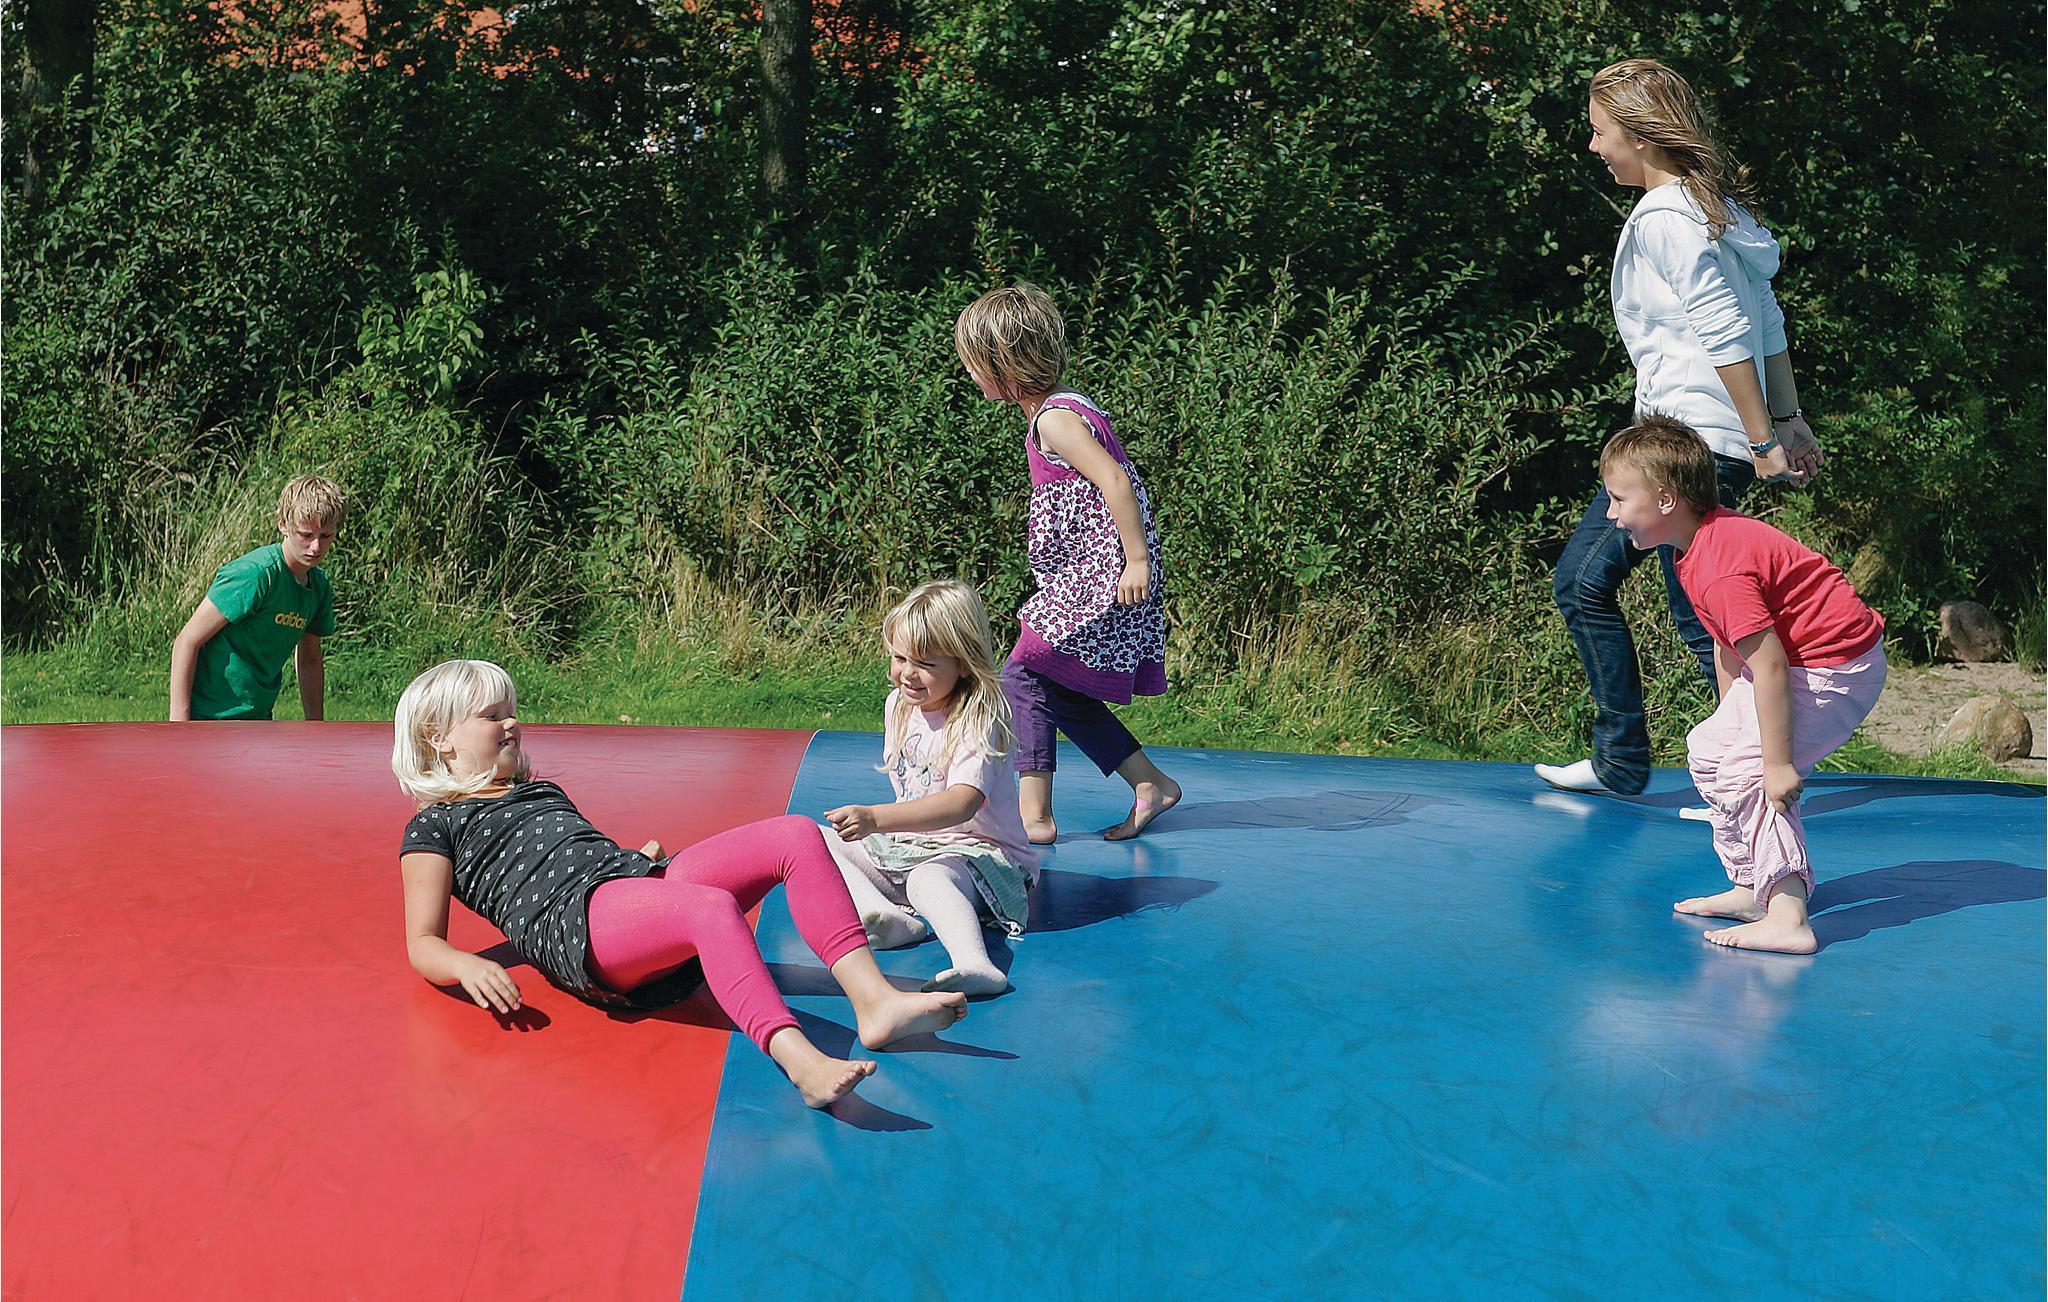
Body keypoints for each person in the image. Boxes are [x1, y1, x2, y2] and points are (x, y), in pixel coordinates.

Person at [392, 659, 969, 1109]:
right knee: (707, 906)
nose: (511, 723)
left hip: (622, 888)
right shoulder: (436, 825)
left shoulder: (540, 789)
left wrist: (636, 865)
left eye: (511, 711)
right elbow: (423, 942)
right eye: (492, 715)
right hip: (578, 929)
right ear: (440, 738)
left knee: (793, 834)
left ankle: (875, 1001)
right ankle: (803, 1063)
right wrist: (465, 965)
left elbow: (573, 855)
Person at [1537, 58, 1825, 796]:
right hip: (1702, 438)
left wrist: (1766, 439)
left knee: (1651, 600)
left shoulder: (1667, 216)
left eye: (1600, 132)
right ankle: (1645, 762)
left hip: (1689, 439)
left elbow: (1728, 327)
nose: (1594, 147)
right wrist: (1786, 418)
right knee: (1666, 602)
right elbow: (1767, 321)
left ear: (1640, 135)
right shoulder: (1716, 208)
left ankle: (1738, 773)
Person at [1600, 416, 1885, 953]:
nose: (1611, 514)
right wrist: (1731, 717)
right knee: (1710, 751)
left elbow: (1770, 665)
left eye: (1618, 499)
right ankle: (1753, 886)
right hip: (1801, 661)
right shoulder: (1695, 547)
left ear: (1666, 500)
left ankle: (1788, 914)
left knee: (1750, 774)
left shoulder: (1720, 566)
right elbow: (1727, 643)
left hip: (1835, 667)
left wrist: (1776, 764)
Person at [955, 283, 1180, 842]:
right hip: (1092, 571)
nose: (970, 375)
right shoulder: (1069, 404)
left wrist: (1136, 561)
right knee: (1060, 687)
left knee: (1023, 670)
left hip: (1103, 573)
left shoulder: (1054, 421)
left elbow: (1115, 480)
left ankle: (1034, 816)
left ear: (1004, 363)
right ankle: (1149, 783)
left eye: (975, 364)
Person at [822, 580, 1039, 995]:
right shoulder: (899, 705)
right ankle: (885, 916)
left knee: (929, 880)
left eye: (924, 663)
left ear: (964, 663)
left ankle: (977, 964)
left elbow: (962, 803)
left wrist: (875, 819)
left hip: (983, 855)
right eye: (899, 657)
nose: (907, 673)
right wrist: (879, 830)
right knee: (813, 839)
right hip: (914, 845)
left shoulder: (979, 717)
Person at [170, 475, 347, 721]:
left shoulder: (318, 587)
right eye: (306, 535)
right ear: (282, 525)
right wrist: (178, 726)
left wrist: (316, 728)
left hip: (258, 718)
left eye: (326, 536)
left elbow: (309, 659)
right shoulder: (254, 575)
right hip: (209, 717)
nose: (316, 547)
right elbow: (186, 641)